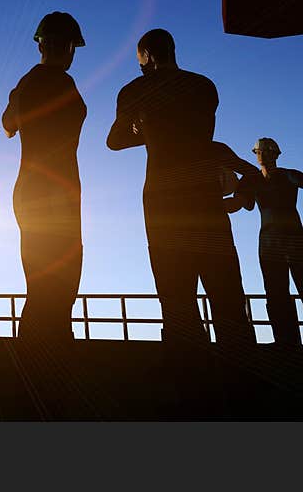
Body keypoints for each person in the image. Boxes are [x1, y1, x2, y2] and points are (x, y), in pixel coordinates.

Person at [107, 29, 256, 353]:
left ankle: (188, 377)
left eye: (140, 60)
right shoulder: (204, 87)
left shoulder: (134, 90)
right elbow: (196, 134)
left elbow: (114, 140)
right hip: (203, 194)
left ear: (147, 55)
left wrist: (143, 127)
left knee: (176, 295)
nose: (140, 66)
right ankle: (247, 377)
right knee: (227, 291)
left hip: (163, 198)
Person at [2, 12, 86, 347]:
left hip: (30, 188)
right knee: (60, 283)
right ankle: (49, 369)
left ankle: (35, 369)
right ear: (65, 46)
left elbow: (8, 125)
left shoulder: (24, 84)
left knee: (40, 283)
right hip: (55, 190)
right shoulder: (62, 83)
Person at [228, 138, 303, 347]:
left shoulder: (288, 175)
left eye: (264, 151)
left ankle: (287, 341)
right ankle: (286, 341)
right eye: (259, 151)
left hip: (293, 240)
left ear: (275, 154)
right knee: (276, 293)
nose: (261, 154)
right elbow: (243, 203)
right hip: (270, 243)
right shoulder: (252, 181)